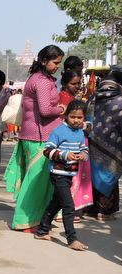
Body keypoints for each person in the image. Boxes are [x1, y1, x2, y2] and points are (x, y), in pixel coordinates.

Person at [5, 45, 65, 231]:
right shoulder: (42, 82)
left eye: (59, 63)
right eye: (55, 63)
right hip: (39, 137)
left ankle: (35, 218)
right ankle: (23, 220)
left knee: (40, 181)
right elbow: (46, 110)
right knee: (35, 182)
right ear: (44, 61)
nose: (57, 67)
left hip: (36, 135)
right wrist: (62, 109)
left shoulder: (38, 79)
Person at [34, 100, 89, 250]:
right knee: (68, 206)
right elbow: (47, 151)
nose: (76, 120)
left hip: (69, 174)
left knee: (56, 203)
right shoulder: (58, 131)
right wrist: (65, 155)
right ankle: (72, 239)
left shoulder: (80, 133)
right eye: (73, 117)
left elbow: (84, 149)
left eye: (80, 118)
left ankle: (42, 230)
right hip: (58, 174)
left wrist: (84, 155)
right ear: (66, 116)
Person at [86, 65, 122, 221]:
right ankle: (104, 212)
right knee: (109, 174)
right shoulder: (120, 100)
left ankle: (90, 209)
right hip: (113, 145)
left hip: (92, 141)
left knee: (93, 175)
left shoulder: (93, 97)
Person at [59, 70, 93, 216]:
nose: (77, 86)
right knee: (68, 177)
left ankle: (74, 207)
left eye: (79, 83)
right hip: (68, 142)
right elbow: (62, 121)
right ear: (65, 83)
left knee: (78, 175)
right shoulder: (62, 98)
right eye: (73, 83)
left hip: (78, 141)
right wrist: (85, 125)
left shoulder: (73, 98)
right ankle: (66, 210)